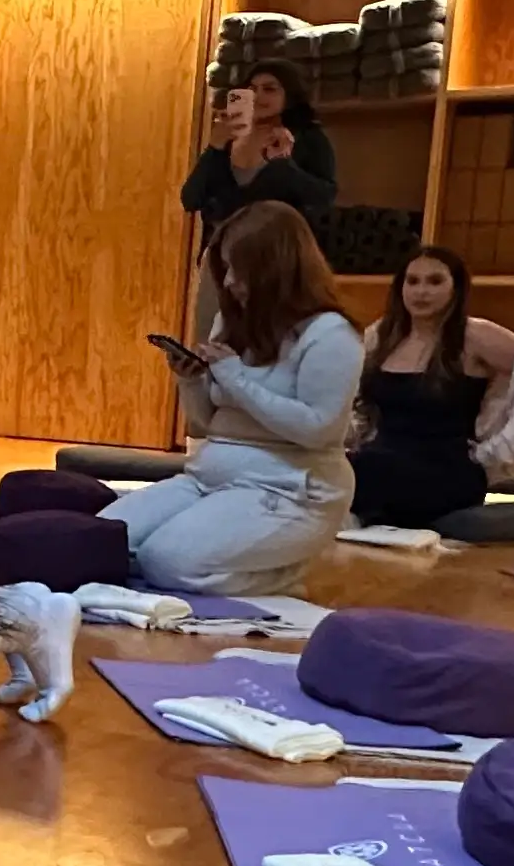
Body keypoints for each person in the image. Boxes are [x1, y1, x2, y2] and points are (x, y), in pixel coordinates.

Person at [113, 200, 359, 594]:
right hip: (209, 476)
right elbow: (208, 423)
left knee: (165, 563)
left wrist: (236, 378)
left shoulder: (330, 333)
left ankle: (283, 578)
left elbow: (318, 431)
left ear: (274, 268)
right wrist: (191, 381)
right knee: (105, 542)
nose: (228, 282)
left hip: (288, 489)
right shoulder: (231, 321)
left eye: (238, 269)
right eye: (225, 268)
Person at [344, 244, 514, 531]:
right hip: (380, 457)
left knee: (367, 474)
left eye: (435, 281)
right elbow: (353, 401)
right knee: (334, 472)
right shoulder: (382, 335)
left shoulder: (477, 336)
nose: (421, 291)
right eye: (413, 281)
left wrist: (497, 451)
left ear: (455, 288)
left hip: (446, 469)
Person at [181, 65, 338, 247]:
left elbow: (324, 198)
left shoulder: (307, 138)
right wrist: (215, 148)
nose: (257, 96)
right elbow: (191, 199)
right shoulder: (229, 139)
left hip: (279, 251)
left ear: (289, 96)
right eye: (252, 89)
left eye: (269, 89)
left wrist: (284, 165)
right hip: (224, 253)